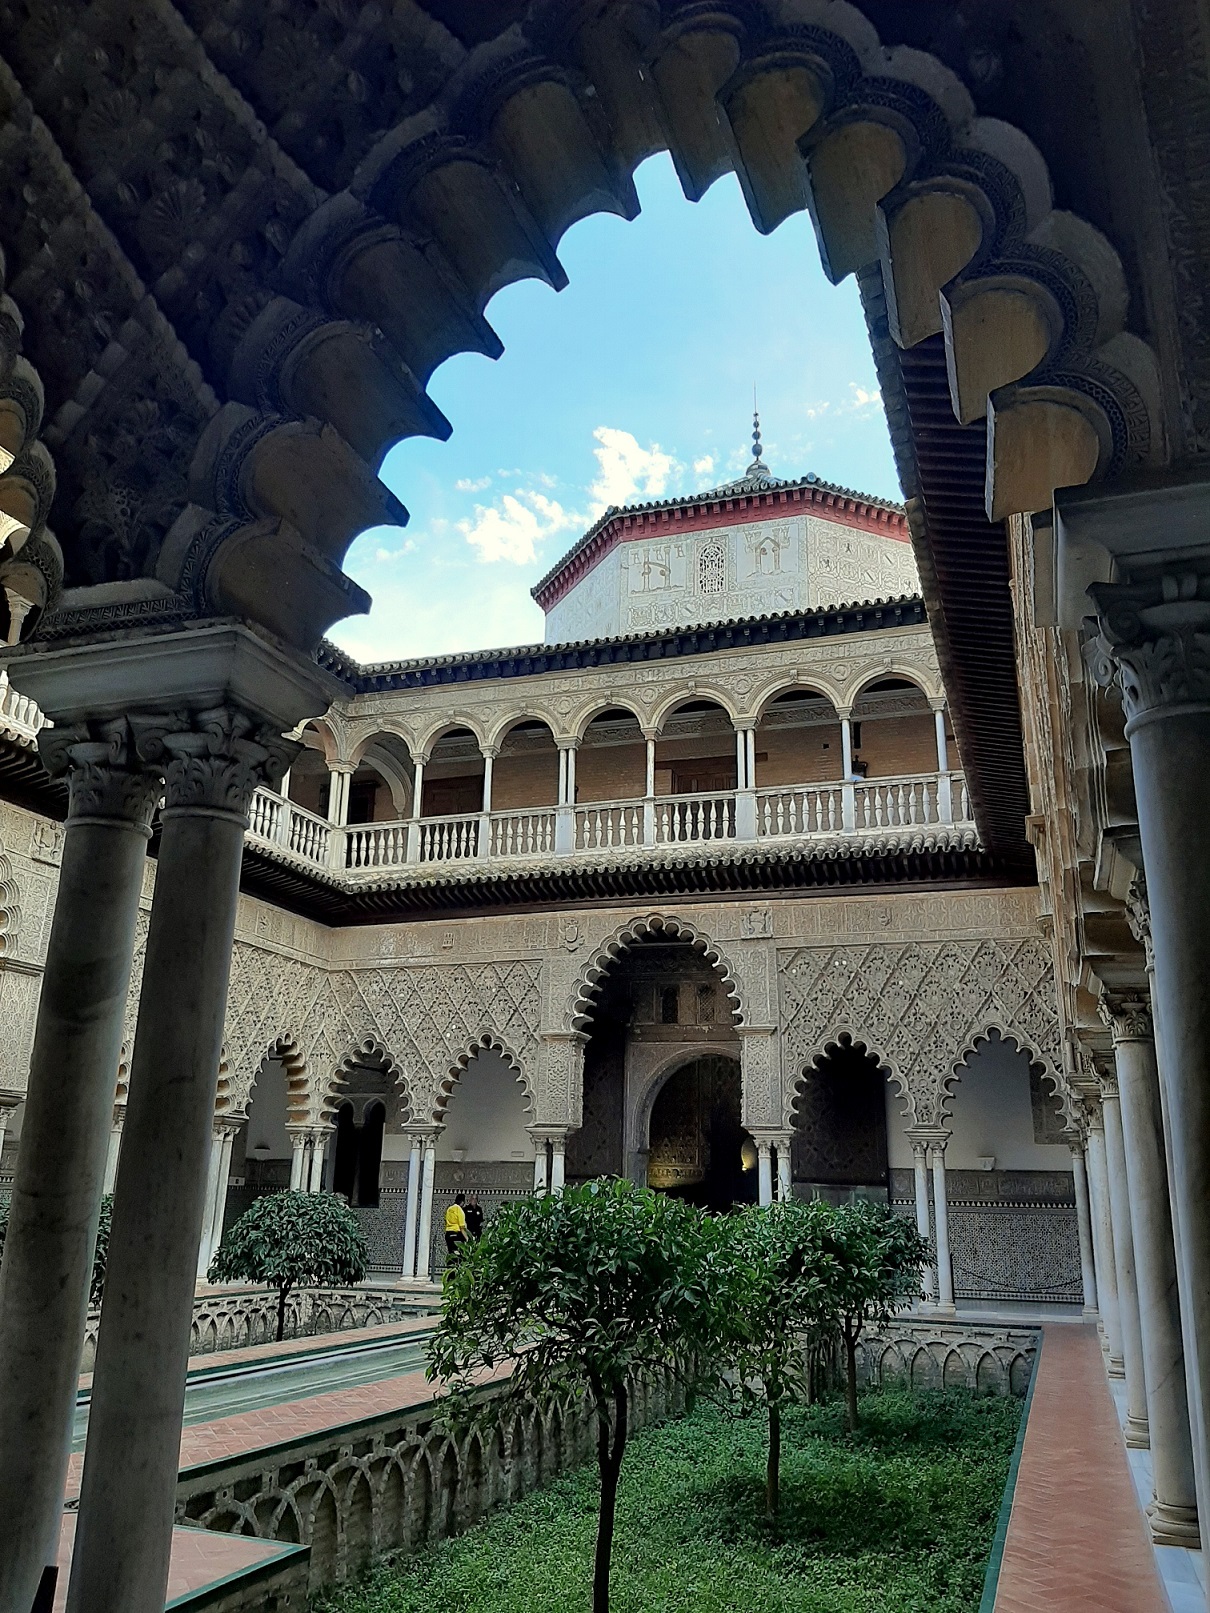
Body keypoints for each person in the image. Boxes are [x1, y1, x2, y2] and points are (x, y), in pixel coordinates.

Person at [444, 1192, 468, 1262]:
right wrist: (467, 1238)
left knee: (451, 1253)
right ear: (462, 1202)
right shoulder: (459, 1210)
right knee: (458, 1255)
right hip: (456, 1235)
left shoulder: (449, 1209)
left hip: (448, 1234)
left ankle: (450, 1269)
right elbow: (462, 1228)